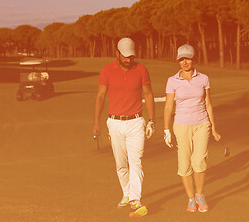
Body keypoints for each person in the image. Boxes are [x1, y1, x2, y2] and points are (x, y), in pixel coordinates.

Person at [92, 38, 155, 217]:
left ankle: (135, 200)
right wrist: (96, 122)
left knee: (136, 162)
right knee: (121, 164)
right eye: (126, 57)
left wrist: (152, 120)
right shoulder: (107, 70)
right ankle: (126, 194)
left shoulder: (141, 69)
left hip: (136, 122)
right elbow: (100, 97)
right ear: (117, 53)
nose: (129, 60)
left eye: (132, 56)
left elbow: (149, 95)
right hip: (115, 123)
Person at [163, 44, 221, 213]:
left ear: (193, 58)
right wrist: (166, 129)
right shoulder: (172, 80)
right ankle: (190, 199)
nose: (184, 62)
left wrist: (214, 128)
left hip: (202, 124)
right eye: (181, 59)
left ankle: (200, 195)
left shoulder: (203, 78)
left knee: (199, 160)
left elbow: (208, 104)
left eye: (187, 58)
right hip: (181, 125)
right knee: (184, 164)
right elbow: (168, 107)